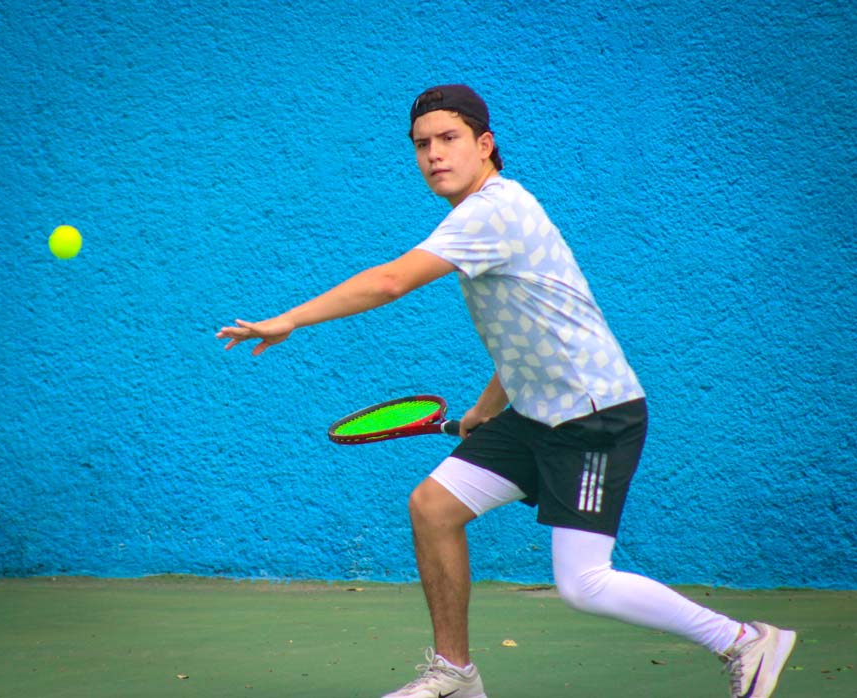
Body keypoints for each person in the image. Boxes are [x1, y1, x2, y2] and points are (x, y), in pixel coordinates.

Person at [217, 84, 796, 698]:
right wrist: (484, 410)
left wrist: (291, 319)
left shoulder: (493, 210)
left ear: (484, 145)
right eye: (422, 145)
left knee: (584, 584)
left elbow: (389, 283)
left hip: (594, 418)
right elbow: (530, 333)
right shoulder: (478, 216)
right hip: (534, 413)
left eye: (449, 139)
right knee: (433, 508)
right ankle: (456, 674)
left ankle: (743, 640)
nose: (435, 154)